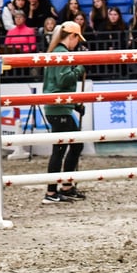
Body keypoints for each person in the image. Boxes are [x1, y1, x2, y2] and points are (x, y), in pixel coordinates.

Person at [41, 21, 87, 204]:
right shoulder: (62, 55)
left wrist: (74, 105)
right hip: (59, 107)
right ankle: (53, 191)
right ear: (72, 36)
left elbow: (57, 85)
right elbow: (62, 81)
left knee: (68, 147)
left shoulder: (56, 53)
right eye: (77, 38)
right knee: (65, 148)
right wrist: (79, 67)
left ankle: (63, 187)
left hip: (59, 106)